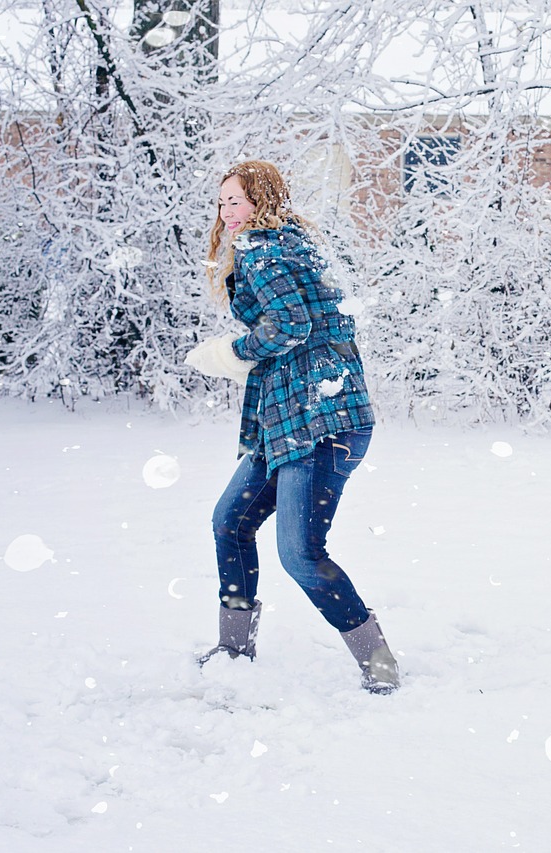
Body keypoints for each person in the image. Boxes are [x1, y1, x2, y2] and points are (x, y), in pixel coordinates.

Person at [183, 160, 399, 695]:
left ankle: (379, 663)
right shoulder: (293, 243)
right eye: (221, 203)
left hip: (319, 421)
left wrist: (233, 352)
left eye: (236, 200)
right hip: (296, 419)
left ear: (262, 199)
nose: (226, 212)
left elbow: (292, 326)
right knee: (230, 521)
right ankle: (234, 648)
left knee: (300, 552)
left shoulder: (264, 247)